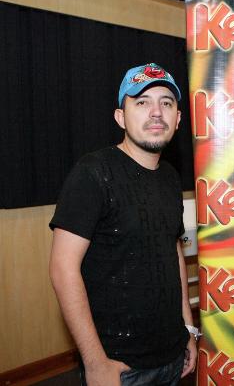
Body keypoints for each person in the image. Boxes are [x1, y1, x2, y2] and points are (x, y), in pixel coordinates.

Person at [49, 63, 199, 386]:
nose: (156, 112)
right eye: (142, 102)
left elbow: (172, 250)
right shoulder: (93, 172)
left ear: (178, 119)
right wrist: (96, 363)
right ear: (120, 117)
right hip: (119, 367)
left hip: (173, 355)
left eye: (166, 103)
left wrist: (187, 328)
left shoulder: (171, 177)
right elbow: (63, 268)